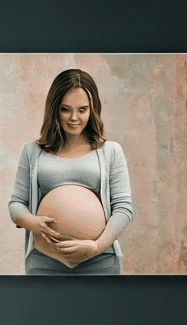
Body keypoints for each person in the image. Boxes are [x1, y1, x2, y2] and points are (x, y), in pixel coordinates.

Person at [8, 68, 132, 275]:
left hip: (99, 262)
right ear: (54, 109)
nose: (74, 117)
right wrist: (33, 223)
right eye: (65, 109)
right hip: (44, 262)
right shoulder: (32, 151)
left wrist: (95, 246)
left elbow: (123, 208)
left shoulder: (111, 151)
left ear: (93, 109)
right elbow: (16, 204)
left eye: (82, 110)